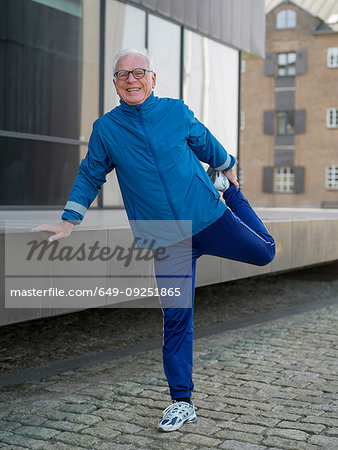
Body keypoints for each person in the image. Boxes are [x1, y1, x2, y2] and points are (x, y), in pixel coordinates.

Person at [33, 48, 275, 432]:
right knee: (177, 318)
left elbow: (206, 144)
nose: (131, 79)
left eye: (138, 72)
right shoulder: (107, 129)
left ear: (152, 78)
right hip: (165, 240)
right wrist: (69, 221)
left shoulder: (176, 112)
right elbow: (90, 174)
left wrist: (227, 168)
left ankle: (232, 197)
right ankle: (182, 401)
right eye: (123, 75)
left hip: (209, 217)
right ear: (115, 83)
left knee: (265, 253)